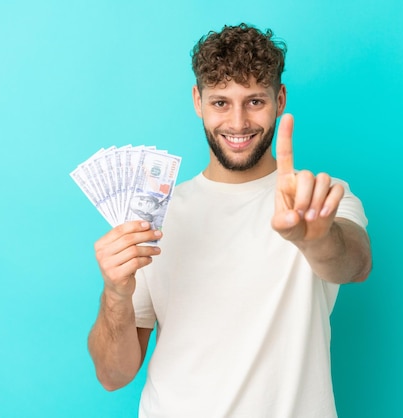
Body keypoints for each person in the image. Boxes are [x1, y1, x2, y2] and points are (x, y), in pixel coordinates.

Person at [87, 23, 372, 417]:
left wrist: (314, 238)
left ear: (280, 98)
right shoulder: (155, 215)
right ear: (197, 101)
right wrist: (115, 295)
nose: (238, 123)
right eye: (221, 102)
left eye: (254, 101)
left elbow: (355, 263)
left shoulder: (318, 199)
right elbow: (112, 375)